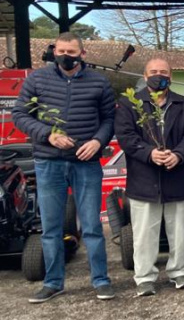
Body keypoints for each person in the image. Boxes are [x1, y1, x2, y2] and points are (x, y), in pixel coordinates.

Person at [12, 32, 116, 303]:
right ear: (53, 51)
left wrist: (97, 140)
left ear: (82, 54)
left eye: (72, 52)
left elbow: (109, 119)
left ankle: (101, 280)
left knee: (92, 225)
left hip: (86, 163)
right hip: (49, 162)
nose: (66, 57)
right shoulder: (37, 79)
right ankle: (53, 281)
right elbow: (20, 114)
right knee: (51, 226)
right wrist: (47, 134)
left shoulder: (99, 82)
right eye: (61, 51)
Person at [115, 57, 184, 296]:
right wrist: (149, 153)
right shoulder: (129, 104)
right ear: (144, 76)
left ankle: (180, 272)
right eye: (153, 71)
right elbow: (125, 136)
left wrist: (180, 154)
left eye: (163, 71)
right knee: (144, 233)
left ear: (170, 76)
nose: (158, 75)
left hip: (177, 175)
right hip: (144, 178)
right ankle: (144, 277)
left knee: (179, 231)